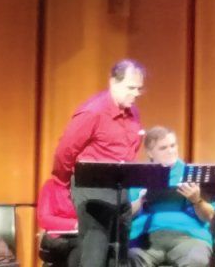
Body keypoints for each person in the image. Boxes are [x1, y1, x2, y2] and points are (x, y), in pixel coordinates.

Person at [52, 59, 146, 267]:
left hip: (120, 189)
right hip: (92, 189)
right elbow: (65, 151)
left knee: (119, 254)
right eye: (131, 88)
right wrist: (67, 184)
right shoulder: (93, 112)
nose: (136, 93)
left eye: (139, 88)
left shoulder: (133, 113)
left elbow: (131, 148)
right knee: (95, 252)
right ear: (113, 82)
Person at [128, 127, 215, 267]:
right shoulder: (138, 175)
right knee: (133, 256)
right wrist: (141, 199)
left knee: (196, 259)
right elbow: (125, 215)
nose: (170, 151)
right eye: (163, 148)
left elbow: (209, 216)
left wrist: (196, 200)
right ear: (150, 153)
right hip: (146, 238)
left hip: (188, 237)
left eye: (173, 145)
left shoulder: (194, 173)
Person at [37, 177, 79, 267]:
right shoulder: (51, 185)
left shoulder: (90, 188)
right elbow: (44, 218)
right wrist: (75, 224)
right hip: (58, 238)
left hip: (82, 238)